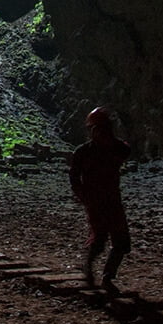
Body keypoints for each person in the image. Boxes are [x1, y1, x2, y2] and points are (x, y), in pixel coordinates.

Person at [68, 105, 132, 289]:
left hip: (111, 199)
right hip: (96, 201)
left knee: (121, 242)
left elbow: (125, 151)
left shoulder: (112, 148)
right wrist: (83, 195)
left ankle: (106, 276)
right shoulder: (84, 152)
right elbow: (74, 176)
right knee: (100, 239)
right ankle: (90, 269)